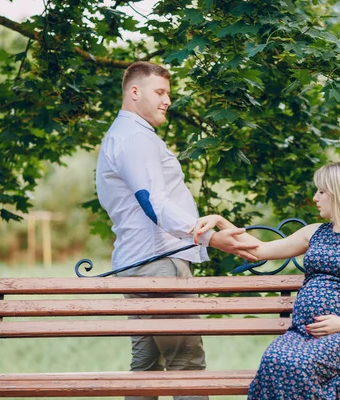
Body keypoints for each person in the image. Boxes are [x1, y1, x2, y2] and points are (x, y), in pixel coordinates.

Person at [95, 61, 257, 400]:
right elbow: (152, 202)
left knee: (147, 366)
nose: (168, 100)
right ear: (134, 91)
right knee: (187, 363)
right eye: (160, 92)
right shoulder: (135, 138)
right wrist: (210, 237)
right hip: (159, 266)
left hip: (136, 265)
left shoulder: (124, 135)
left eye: (169, 92)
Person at [192, 160, 340, 399]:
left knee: (298, 365)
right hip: (301, 334)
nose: (315, 197)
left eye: (321, 191)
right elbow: (259, 250)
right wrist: (219, 220)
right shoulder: (314, 232)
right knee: (273, 360)